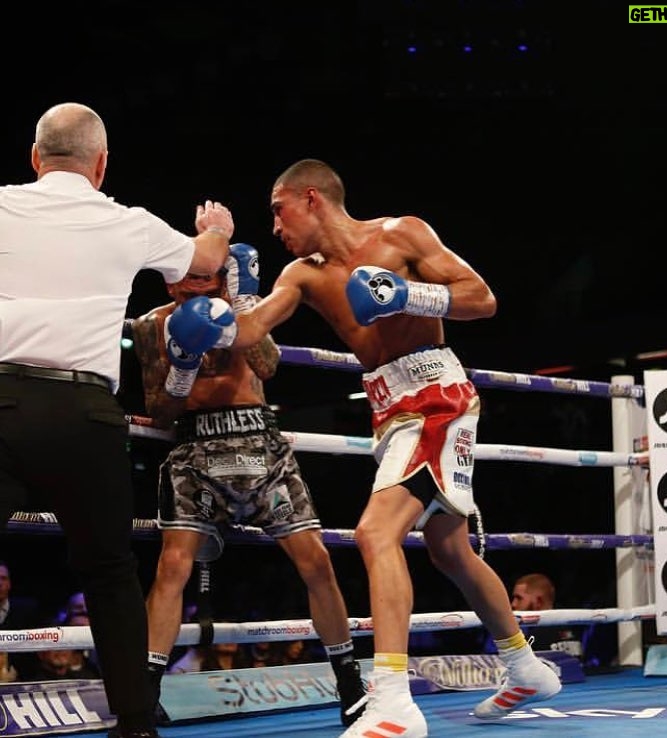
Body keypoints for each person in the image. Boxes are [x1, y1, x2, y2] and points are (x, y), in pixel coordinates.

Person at [182, 159, 562, 738]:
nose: (277, 227)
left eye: (279, 211)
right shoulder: (301, 276)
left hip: (436, 396)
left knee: (374, 533)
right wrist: (219, 312)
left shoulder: (401, 233)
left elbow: (481, 300)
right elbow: (252, 333)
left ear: (311, 198)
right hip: (389, 409)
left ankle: (392, 701)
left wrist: (406, 294)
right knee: (449, 550)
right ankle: (525, 665)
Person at [0, 102, 235, 738]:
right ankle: (135, 724)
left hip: (1, 405)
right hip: (84, 416)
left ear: (34, 157)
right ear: (100, 165)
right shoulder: (125, 221)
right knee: (108, 572)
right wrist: (216, 224)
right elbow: (206, 264)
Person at [131, 258, 367, 728]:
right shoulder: (150, 325)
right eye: (182, 277)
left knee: (316, 561)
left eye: (203, 278)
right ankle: (145, 690)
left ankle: (349, 683)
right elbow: (158, 408)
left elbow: (268, 363)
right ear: (168, 278)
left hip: (260, 445)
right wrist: (183, 366)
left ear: (220, 280)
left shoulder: (243, 314)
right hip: (196, 451)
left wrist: (242, 306)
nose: (190, 287)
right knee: (172, 566)